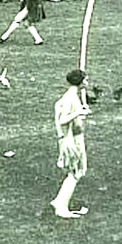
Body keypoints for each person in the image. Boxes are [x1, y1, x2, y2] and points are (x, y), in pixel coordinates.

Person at [52, 69, 91, 219]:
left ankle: (58, 201)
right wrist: (79, 113)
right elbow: (63, 120)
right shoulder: (70, 97)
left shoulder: (70, 95)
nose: (87, 82)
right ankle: (62, 208)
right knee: (76, 173)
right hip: (73, 139)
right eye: (85, 79)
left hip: (73, 137)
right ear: (80, 82)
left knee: (74, 172)